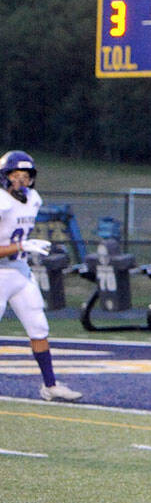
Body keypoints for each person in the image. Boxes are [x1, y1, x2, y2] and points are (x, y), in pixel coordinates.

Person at [0, 150, 81, 402]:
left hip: (20, 272)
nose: (21, 180)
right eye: (15, 175)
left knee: (38, 327)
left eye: (26, 175)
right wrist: (21, 246)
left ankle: (50, 385)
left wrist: (23, 248)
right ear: (4, 176)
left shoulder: (34, 199)